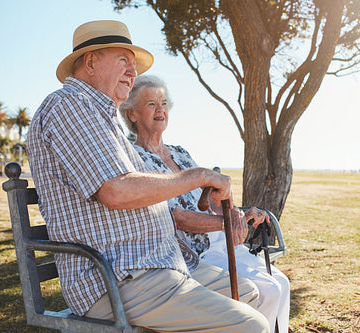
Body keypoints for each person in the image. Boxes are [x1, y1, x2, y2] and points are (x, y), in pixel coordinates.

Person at [27, 20, 270, 332]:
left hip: (154, 265)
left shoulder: (102, 118)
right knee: (253, 326)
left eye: (134, 64)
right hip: (117, 277)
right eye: (123, 61)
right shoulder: (70, 105)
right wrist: (198, 176)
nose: (132, 71)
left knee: (248, 292)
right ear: (90, 62)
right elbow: (115, 191)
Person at [119, 74, 291, 333]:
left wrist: (240, 213)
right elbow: (177, 217)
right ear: (132, 114)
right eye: (151, 104)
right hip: (189, 251)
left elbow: (212, 202)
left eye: (164, 103)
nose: (160, 109)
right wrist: (229, 223)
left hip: (215, 240)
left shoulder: (179, 152)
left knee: (280, 283)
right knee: (266, 290)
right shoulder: (135, 159)